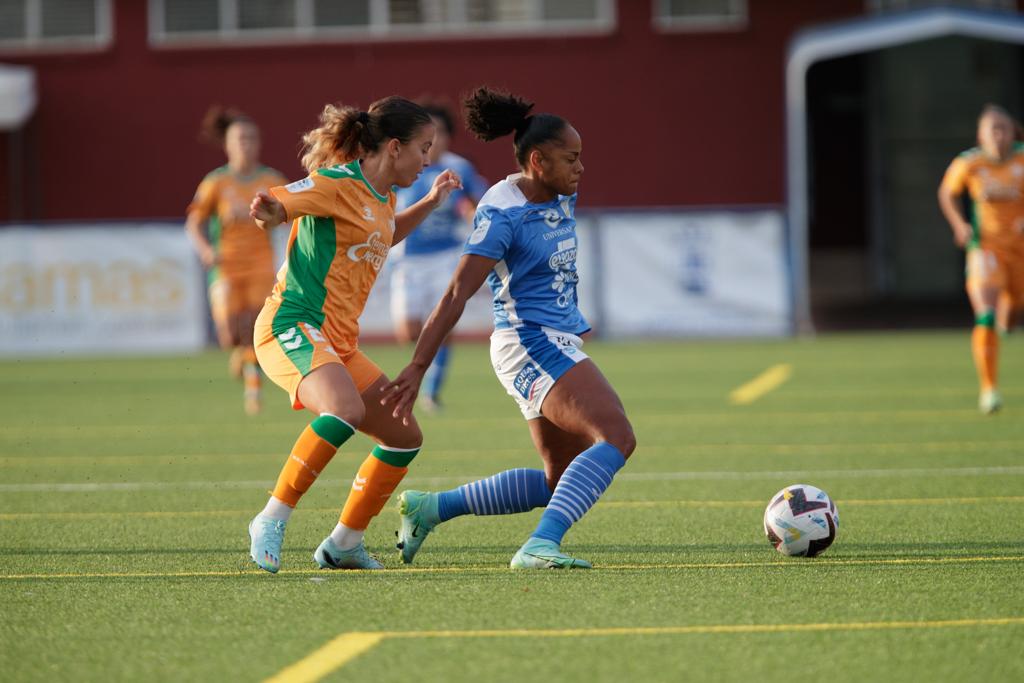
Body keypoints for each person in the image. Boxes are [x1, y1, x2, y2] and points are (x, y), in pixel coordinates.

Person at [382, 87, 636, 569]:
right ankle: (540, 546)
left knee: (558, 480)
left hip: (549, 339)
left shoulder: (559, 190)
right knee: (617, 436)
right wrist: (417, 367)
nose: (581, 168)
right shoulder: (501, 215)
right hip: (530, 341)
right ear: (538, 161)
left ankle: (430, 508)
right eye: (572, 159)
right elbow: (456, 294)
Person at [245, 97, 462, 573]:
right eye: (423, 149)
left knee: (404, 435)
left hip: (338, 341)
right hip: (290, 324)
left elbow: (383, 233)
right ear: (393, 147)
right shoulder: (336, 183)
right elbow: (279, 203)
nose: (428, 159)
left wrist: (429, 202)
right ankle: (271, 517)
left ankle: (343, 543)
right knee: (345, 410)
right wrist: (268, 210)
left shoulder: (384, 197)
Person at [185, 107, 286, 415]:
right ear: (228, 145)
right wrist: (205, 249)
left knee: (254, 329)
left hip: (260, 265)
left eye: (251, 138)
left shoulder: (271, 179)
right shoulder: (216, 183)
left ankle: (253, 394)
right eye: (240, 138)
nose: (246, 144)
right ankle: (239, 355)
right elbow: (194, 222)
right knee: (229, 334)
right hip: (225, 266)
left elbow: (293, 214)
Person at [391, 101, 488, 411]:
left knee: (443, 323)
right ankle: (424, 364)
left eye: (441, 133)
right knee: (408, 331)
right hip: (408, 259)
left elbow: (476, 201)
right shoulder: (403, 166)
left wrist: (473, 213)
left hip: (446, 255)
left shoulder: (459, 167)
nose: (435, 141)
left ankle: (431, 391)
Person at [938, 104, 1024, 414]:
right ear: (981, 134)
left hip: (1020, 252)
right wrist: (960, 225)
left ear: (1014, 132)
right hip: (985, 248)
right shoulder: (970, 163)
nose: (999, 136)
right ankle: (989, 389)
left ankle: (1007, 320)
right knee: (985, 314)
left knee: (1010, 313)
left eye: (1004, 129)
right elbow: (947, 192)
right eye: (993, 129)